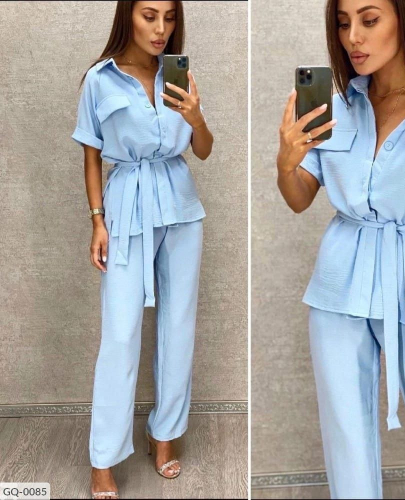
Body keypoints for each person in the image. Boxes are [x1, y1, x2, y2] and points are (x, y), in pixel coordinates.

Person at [276, 0, 405, 498]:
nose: (353, 37)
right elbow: (300, 199)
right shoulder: (336, 106)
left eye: (369, 20)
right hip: (339, 285)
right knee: (348, 443)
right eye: (343, 23)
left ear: (402, 21)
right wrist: (286, 161)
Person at [71, 2, 213, 499]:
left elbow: (203, 149)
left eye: (169, 18)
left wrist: (196, 117)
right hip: (126, 208)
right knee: (120, 333)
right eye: (149, 15)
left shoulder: (178, 73)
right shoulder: (100, 80)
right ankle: (103, 458)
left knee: (178, 326)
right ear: (128, 16)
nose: (160, 28)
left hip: (180, 205)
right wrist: (97, 221)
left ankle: (164, 433)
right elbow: (91, 155)